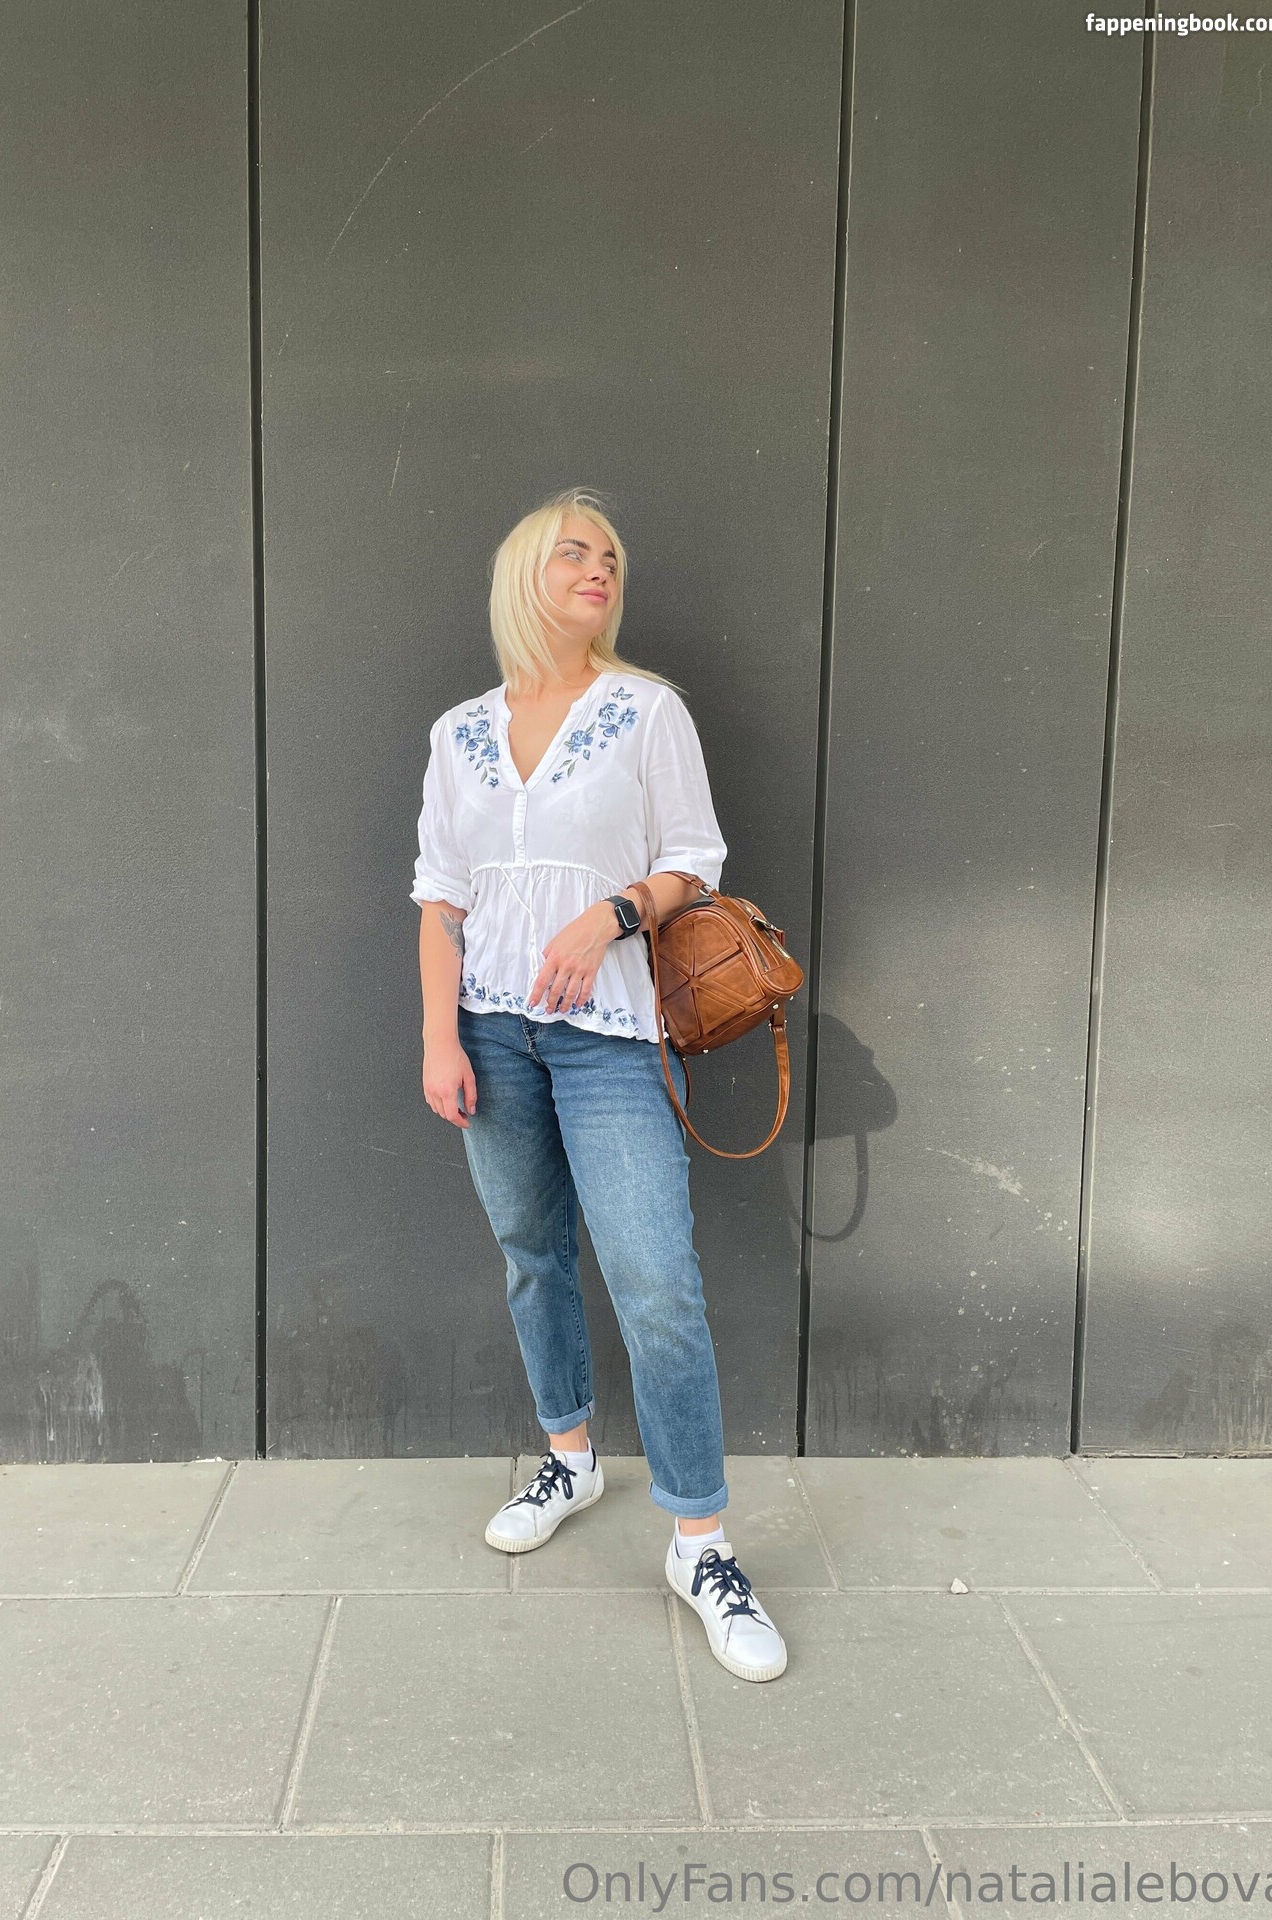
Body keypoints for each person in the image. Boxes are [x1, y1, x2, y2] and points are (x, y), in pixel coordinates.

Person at [410, 486, 787, 1684]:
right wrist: (439, 1037)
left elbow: (693, 860)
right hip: (489, 1034)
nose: (599, 569)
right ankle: (570, 1459)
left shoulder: (645, 711)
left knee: (657, 1280)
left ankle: (700, 1542)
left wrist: (612, 914)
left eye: (611, 557)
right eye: (574, 552)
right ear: (523, 576)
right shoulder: (459, 733)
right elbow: (440, 898)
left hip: (612, 1037)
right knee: (532, 1252)